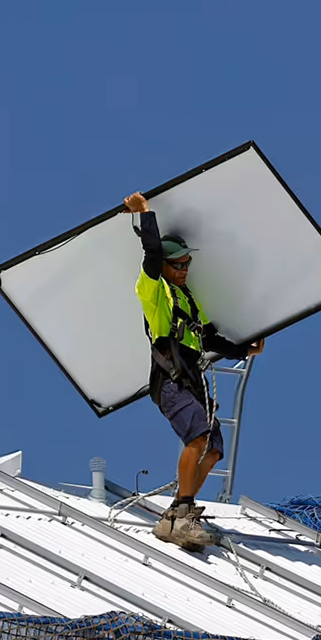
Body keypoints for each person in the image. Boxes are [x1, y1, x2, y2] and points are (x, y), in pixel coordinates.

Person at [123, 191, 263, 549]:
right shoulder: (153, 291)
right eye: (178, 266)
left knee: (214, 448)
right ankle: (181, 515)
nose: (184, 270)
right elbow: (152, 254)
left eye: (187, 265)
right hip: (169, 379)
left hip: (192, 377)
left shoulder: (187, 298)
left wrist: (243, 350)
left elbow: (209, 337)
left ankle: (177, 514)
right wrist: (145, 214)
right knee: (197, 437)